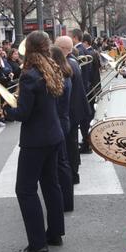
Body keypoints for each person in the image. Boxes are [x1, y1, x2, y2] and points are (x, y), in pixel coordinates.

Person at [2, 31, 66, 252]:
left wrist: (7, 110)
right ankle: (55, 233)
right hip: (53, 135)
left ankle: (37, 244)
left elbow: (23, 114)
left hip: (36, 140)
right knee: (51, 185)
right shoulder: (51, 69)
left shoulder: (29, 75)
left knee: (25, 190)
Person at [55, 36, 87, 186]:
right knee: (72, 144)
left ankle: (72, 175)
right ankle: (74, 172)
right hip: (76, 109)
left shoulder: (65, 65)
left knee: (69, 146)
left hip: (69, 111)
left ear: (62, 49)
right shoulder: (73, 61)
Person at [49, 46, 74, 213]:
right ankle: (66, 201)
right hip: (63, 120)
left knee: (61, 163)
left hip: (58, 121)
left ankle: (64, 201)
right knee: (62, 162)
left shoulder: (60, 77)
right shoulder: (66, 74)